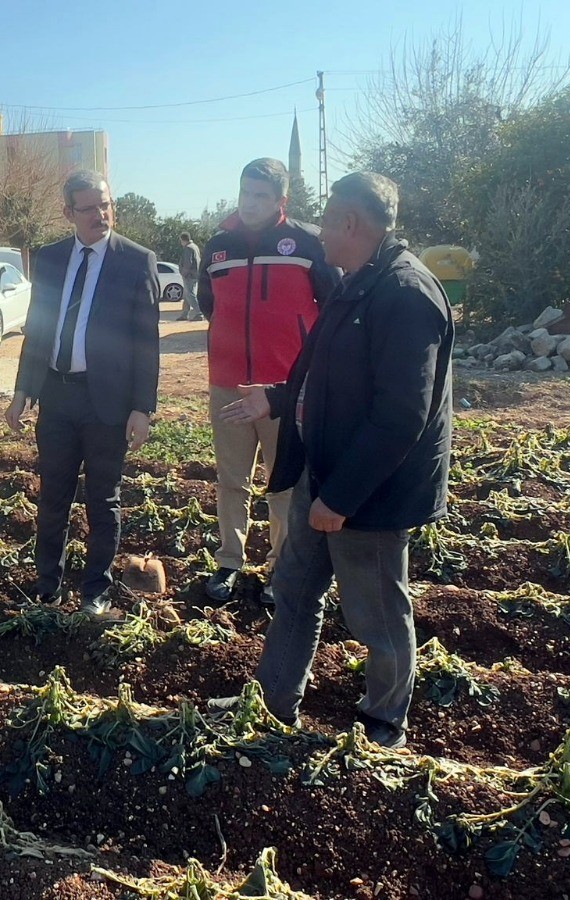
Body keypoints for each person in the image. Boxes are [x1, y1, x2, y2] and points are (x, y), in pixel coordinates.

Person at [217, 172, 455, 749]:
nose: (319, 233)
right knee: (294, 591)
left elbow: (401, 415)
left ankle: (384, 722)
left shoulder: (405, 294)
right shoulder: (358, 282)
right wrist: (275, 397)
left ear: (351, 223)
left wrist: (340, 498)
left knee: (376, 614)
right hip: (321, 475)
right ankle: (273, 704)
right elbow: (324, 372)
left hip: (367, 495)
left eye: (326, 220)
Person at [6, 170, 160, 617]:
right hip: (58, 397)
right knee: (53, 496)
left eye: (106, 204)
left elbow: (146, 340)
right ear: (68, 212)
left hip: (107, 403)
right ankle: (47, 587)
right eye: (90, 208)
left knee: (103, 500)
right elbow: (37, 330)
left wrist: (142, 407)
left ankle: (95, 590)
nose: (101, 214)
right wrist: (23, 390)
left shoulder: (136, 260)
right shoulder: (51, 258)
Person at [199, 158, 339, 606]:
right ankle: (229, 560)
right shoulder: (218, 245)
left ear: (282, 200)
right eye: (245, 192)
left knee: (283, 482)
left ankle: (282, 566)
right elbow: (209, 305)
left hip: (285, 388)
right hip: (228, 383)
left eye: (261, 195)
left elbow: (333, 305)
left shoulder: (307, 241)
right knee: (231, 479)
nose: (250, 202)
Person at [176, 232, 202, 322]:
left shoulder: (188, 248)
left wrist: (184, 273)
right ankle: (184, 314)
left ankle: (199, 313)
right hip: (195, 274)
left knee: (190, 294)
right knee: (187, 295)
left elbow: (188, 262)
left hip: (189, 275)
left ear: (183, 240)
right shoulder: (195, 246)